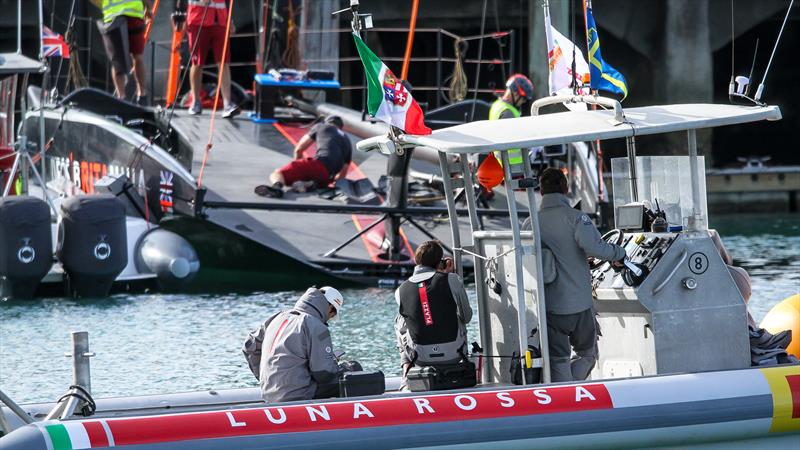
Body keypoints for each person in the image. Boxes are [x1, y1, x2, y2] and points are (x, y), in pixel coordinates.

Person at [537, 168, 626, 382]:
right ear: (565, 188)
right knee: (587, 354)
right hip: (578, 303)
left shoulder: (530, 222)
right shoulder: (576, 218)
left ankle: (562, 396)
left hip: (548, 306)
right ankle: (574, 389)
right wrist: (619, 252)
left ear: (541, 191)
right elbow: (595, 248)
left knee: (558, 358)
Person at [242, 286, 358, 403]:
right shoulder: (317, 327)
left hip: (268, 393)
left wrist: (265, 378)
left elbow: (249, 346)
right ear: (330, 308)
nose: (330, 318)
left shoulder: (277, 317)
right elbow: (324, 373)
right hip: (299, 395)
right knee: (354, 368)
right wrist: (341, 366)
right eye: (332, 315)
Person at [394, 240, 472, 385]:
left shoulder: (400, 290)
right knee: (455, 311)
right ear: (440, 262)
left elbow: (422, 308)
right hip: (454, 353)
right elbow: (466, 317)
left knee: (400, 320)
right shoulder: (452, 280)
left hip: (420, 357)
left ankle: (406, 369)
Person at [256, 115, 352, 198]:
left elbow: (299, 149)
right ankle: (309, 184)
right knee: (311, 175)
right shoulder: (347, 141)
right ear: (340, 128)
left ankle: (276, 188)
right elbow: (342, 175)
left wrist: (295, 166)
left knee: (277, 174)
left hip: (318, 165)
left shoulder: (321, 126)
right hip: (327, 178)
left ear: (327, 122)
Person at [174, 0, 238, 118]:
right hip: (198, 19)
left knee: (223, 62)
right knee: (197, 62)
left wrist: (230, 19)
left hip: (220, 20)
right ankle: (195, 101)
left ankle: (227, 104)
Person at [476, 74, 535, 191]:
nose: (522, 102)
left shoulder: (497, 105)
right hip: (512, 169)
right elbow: (512, 139)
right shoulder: (508, 113)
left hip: (501, 166)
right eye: (523, 98)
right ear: (516, 93)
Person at [91, 0, 153, 103]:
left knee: (117, 61)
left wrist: (104, 6)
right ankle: (142, 96)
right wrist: (148, 9)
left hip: (112, 16)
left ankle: (122, 97)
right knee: (137, 57)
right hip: (134, 15)